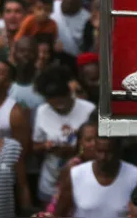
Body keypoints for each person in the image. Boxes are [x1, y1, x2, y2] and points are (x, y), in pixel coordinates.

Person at [33, 65, 95, 204]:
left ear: (69, 93)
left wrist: (74, 150)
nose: (59, 106)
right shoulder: (42, 111)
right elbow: (35, 146)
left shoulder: (89, 109)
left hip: (82, 181)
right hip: (50, 183)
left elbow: (99, 147)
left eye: (62, 101)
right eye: (54, 104)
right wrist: (46, 146)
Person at [55, 137, 137, 218]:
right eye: (100, 151)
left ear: (119, 152)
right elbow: (60, 213)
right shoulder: (76, 175)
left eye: (109, 152)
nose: (103, 157)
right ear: (94, 150)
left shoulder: (134, 175)